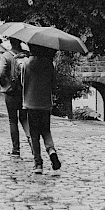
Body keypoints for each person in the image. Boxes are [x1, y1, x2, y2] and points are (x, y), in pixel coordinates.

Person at [22, 43, 61, 174]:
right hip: (45, 103)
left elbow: (23, 82)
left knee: (34, 134)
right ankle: (51, 151)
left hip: (31, 103)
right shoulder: (49, 64)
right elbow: (54, 84)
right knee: (46, 131)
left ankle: (38, 164)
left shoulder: (26, 63)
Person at [0, 38, 30, 156]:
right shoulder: (26, 55)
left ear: (10, 42)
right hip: (24, 92)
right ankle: (32, 142)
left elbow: (0, 73)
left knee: (13, 120)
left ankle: (16, 149)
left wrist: (3, 84)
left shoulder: (6, 56)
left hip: (10, 91)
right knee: (24, 118)